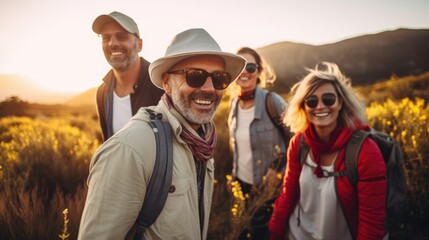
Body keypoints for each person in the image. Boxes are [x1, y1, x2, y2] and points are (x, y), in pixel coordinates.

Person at [78, 28, 246, 240]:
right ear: (166, 83)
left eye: (219, 78)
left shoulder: (202, 143)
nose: (209, 88)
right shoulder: (131, 149)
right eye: (195, 76)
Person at [269, 62, 386, 240]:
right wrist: (274, 233)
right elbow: (288, 194)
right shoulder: (298, 143)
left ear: (341, 103)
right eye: (311, 101)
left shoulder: (365, 151)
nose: (320, 106)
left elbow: (372, 222)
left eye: (329, 99)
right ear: (303, 108)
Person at [227, 47, 289, 240]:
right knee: (241, 233)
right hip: (241, 187)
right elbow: (238, 146)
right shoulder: (233, 105)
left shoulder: (273, 102)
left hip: (267, 191)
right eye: (240, 66)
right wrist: (233, 176)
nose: (244, 72)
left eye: (251, 67)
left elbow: (298, 139)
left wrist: (279, 170)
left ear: (259, 72)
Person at [92, 11, 164, 141]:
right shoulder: (102, 93)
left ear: (139, 45)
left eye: (122, 36)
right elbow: (108, 145)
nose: (112, 43)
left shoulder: (162, 84)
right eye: (105, 38)